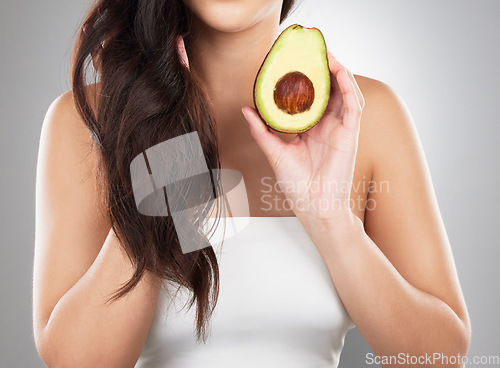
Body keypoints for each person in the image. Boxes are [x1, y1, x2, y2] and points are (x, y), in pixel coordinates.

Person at [32, 0, 471, 367]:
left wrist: (331, 220)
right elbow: (74, 360)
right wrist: (166, 173)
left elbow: (441, 357)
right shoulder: (86, 121)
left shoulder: (362, 116)